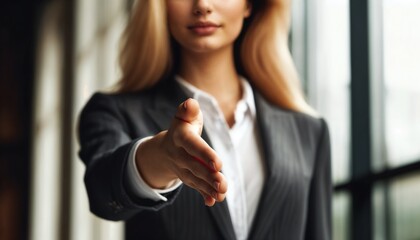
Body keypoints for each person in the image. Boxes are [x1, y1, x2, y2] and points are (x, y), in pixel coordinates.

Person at [78, 0, 332, 239]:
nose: (202, 5)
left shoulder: (310, 131)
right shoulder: (113, 111)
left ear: (249, 4)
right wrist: (159, 159)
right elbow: (103, 194)